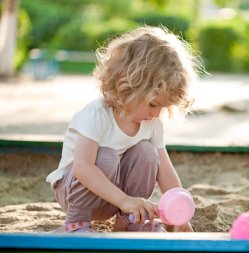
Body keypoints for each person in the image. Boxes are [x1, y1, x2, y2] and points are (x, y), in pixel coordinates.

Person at [46, 26, 201, 233]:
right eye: (153, 104)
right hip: (75, 192)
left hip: (117, 200)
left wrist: (181, 213)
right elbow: (83, 168)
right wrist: (124, 199)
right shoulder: (97, 114)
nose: (156, 113)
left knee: (147, 152)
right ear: (129, 87)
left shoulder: (152, 123)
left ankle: (130, 222)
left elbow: (166, 173)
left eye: (163, 107)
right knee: (107, 156)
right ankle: (76, 224)